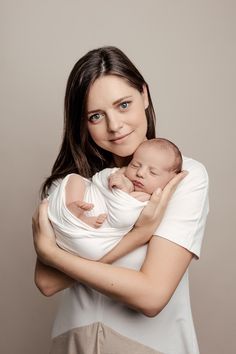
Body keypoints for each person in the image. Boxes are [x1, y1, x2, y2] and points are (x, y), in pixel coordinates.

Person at [32, 46, 209, 354]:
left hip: (151, 345)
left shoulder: (182, 177)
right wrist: (139, 234)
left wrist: (52, 252)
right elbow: (47, 283)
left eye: (123, 104)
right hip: (74, 343)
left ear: (144, 95)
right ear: (83, 122)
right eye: (96, 115)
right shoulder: (72, 186)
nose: (114, 126)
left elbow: (151, 297)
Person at [47, 138, 183, 264]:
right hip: (68, 220)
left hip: (91, 242)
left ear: (170, 180)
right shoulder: (121, 174)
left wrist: (124, 191)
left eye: (153, 172)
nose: (140, 173)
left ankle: (80, 218)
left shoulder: (146, 199)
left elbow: (123, 217)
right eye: (135, 165)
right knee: (74, 179)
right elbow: (99, 180)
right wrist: (114, 176)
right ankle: (73, 209)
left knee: (101, 229)